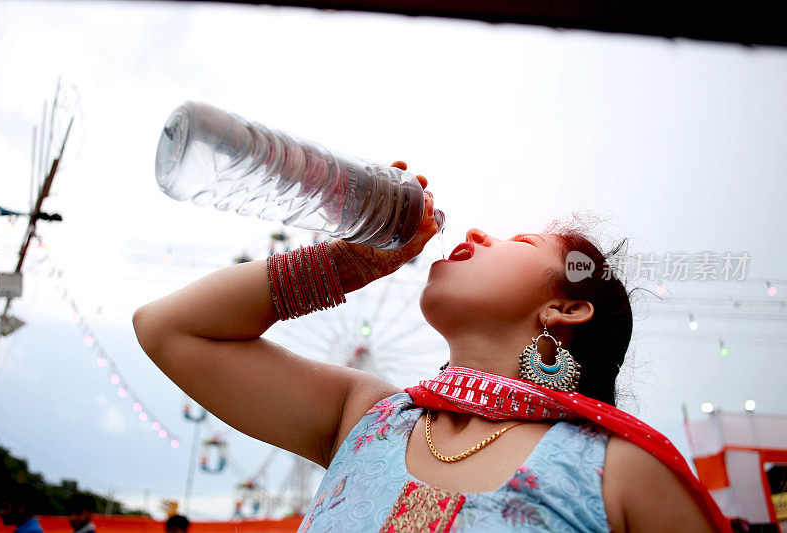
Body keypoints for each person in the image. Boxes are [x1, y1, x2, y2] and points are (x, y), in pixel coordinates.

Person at [133, 161, 728, 532]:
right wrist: (341, 264)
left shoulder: (618, 473)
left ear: (565, 309)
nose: (474, 234)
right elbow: (168, 328)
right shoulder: (368, 420)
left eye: (521, 240)